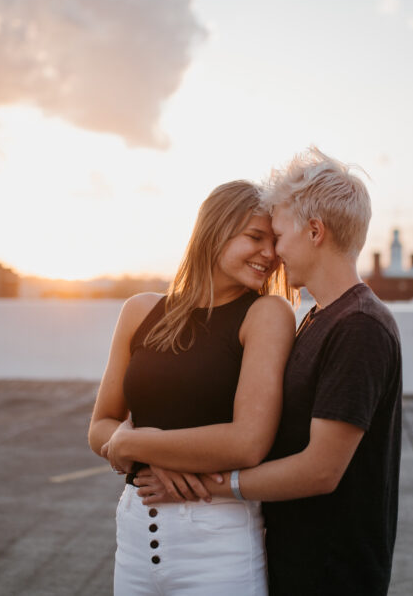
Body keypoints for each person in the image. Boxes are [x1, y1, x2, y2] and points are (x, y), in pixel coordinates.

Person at [134, 148, 403, 595]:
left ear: (315, 231)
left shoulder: (359, 326)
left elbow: (320, 471)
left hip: (334, 575)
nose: (274, 252)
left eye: (278, 235)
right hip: (297, 564)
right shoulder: (322, 318)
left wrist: (201, 486)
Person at [88, 179, 298, 595]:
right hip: (132, 536)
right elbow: (100, 427)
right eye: (255, 237)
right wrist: (137, 447)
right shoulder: (139, 311)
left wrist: (134, 445)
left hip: (217, 542)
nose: (270, 254)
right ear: (214, 230)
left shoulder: (267, 314)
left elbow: (247, 443)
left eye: (273, 242)